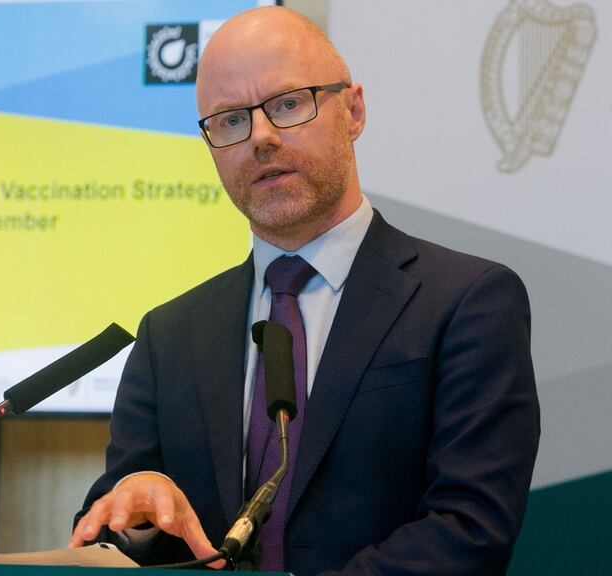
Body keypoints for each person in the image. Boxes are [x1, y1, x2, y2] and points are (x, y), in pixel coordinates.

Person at [68, 6, 540, 576]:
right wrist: (135, 518)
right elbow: (110, 538)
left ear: (354, 111)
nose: (261, 137)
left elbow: (471, 529)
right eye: (230, 120)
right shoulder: (169, 335)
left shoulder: (468, 302)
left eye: (288, 104)